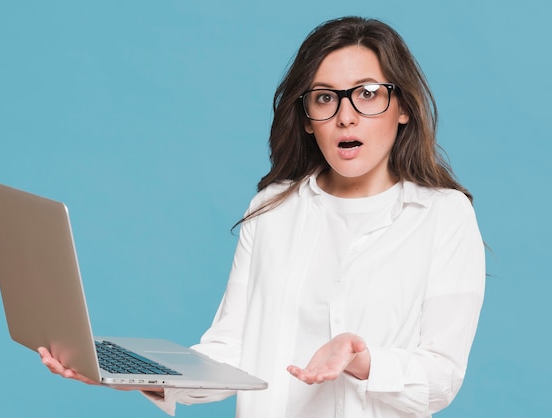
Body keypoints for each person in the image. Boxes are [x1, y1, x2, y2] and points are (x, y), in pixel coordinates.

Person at [40, 16, 485, 417]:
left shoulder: (443, 215)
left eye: (368, 94)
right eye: (326, 98)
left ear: (403, 107)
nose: (345, 117)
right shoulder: (271, 209)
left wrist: (362, 359)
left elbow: (441, 378)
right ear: (308, 118)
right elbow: (230, 351)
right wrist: (126, 373)